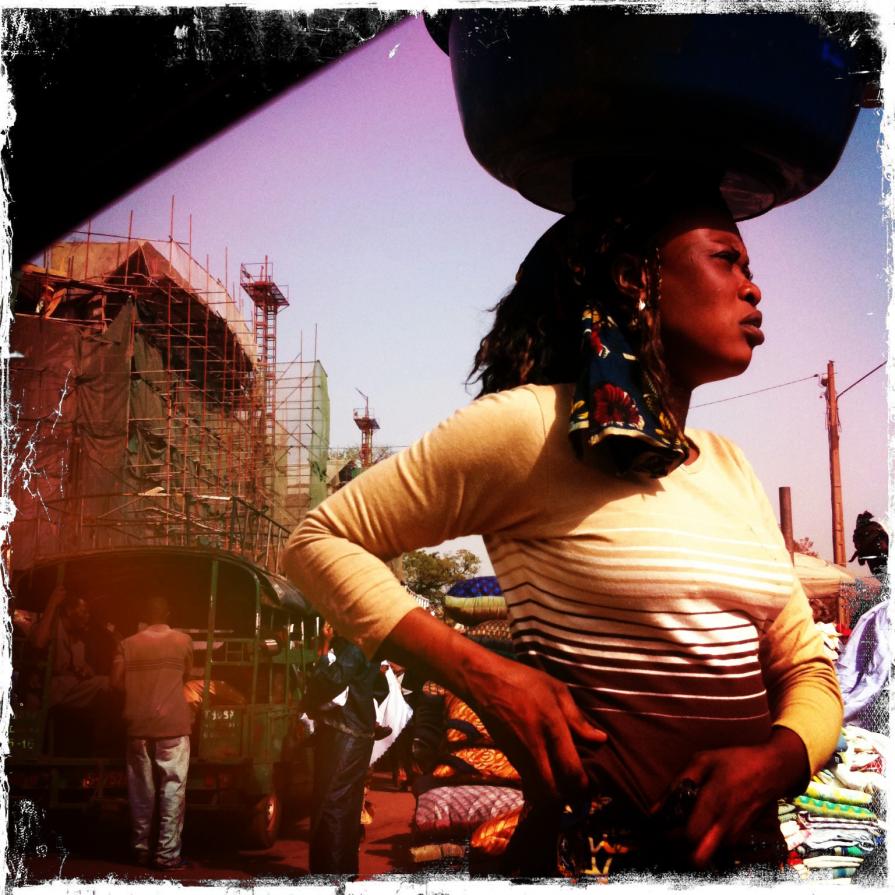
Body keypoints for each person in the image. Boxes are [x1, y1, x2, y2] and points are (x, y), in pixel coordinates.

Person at [283, 179, 842, 876]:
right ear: (636, 277)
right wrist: (487, 677)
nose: (751, 288)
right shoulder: (529, 429)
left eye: (749, 269)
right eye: (726, 259)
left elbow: (805, 665)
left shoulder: (731, 467)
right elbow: (316, 542)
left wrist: (775, 759)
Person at [111, 596, 193, 870]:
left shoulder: (128, 644)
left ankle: (140, 851)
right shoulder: (183, 641)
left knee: (140, 793)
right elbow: (186, 675)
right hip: (172, 725)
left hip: (137, 726)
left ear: (145, 615)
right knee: (172, 790)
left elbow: (115, 683)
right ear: (168, 613)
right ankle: (168, 856)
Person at [305, 621, 381, 875]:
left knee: (332, 804)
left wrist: (323, 648)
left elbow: (331, 680)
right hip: (355, 732)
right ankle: (343, 871)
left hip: (346, 733)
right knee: (345, 805)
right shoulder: (365, 641)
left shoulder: (354, 644)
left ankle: (330, 874)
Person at [29, 584, 111, 712]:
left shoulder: (78, 642)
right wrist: (52, 604)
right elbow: (39, 642)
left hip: (66, 690)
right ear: (69, 611)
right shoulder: (53, 626)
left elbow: (80, 668)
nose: (87, 616)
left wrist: (86, 670)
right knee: (104, 684)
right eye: (84, 611)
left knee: (106, 684)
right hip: (46, 691)